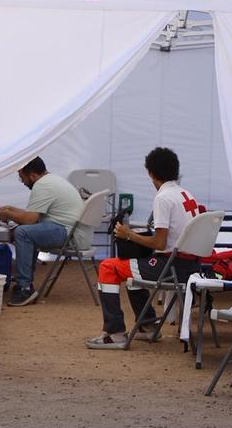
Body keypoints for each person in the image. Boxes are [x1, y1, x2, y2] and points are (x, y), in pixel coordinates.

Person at [85, 147, 204, 349]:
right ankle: (147, 326)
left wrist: (127, 234)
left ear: (151, 173)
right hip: (190, 266)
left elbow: (159, 243)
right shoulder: (185, 194)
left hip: (170, 267)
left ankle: (114, 334)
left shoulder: (163, 198)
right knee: (132, 268)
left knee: (108, 267)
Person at [0, 157, 86, 306]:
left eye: (22, 178)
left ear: (32, 176)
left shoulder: (43, 186)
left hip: (69, 234)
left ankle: (24, 287)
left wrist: (9, 214)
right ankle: (25, 283)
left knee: (23, 232)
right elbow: (34, 215)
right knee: (27, 232)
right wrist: (10, 209)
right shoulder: (51, 180)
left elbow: (30, 219)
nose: (23, 182)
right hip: (70, 230)